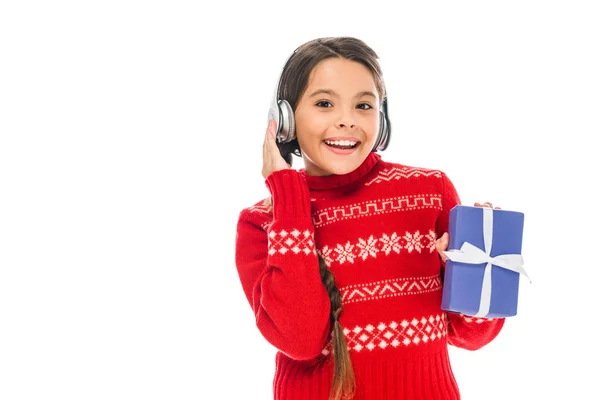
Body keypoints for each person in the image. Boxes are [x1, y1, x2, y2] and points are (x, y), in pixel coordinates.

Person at [234, 36, 504, 400]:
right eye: (324, 103)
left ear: (382, 116)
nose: (346, 121)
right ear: (284, 119)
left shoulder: (430, 191)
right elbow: (301, 340)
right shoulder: (261, 222)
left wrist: (483, 263)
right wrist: (287, 197)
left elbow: (473, 336)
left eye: (363, 105)